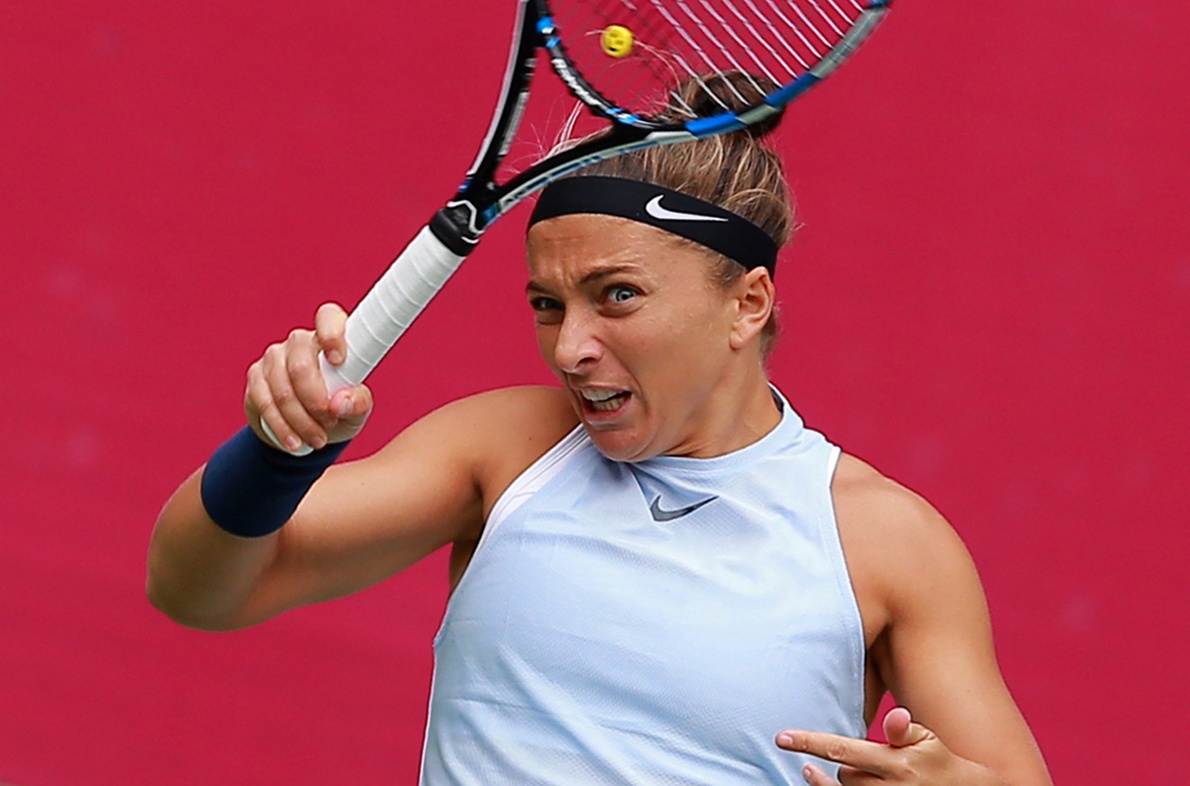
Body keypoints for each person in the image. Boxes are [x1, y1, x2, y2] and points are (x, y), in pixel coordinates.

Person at [147, 78, 1052, 785]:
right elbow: (197, 590)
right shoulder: (504, 449)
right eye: (547, 304)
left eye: (617, 296)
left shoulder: (887, 542)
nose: (570, 348)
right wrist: (277, 453)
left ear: (747, 304)